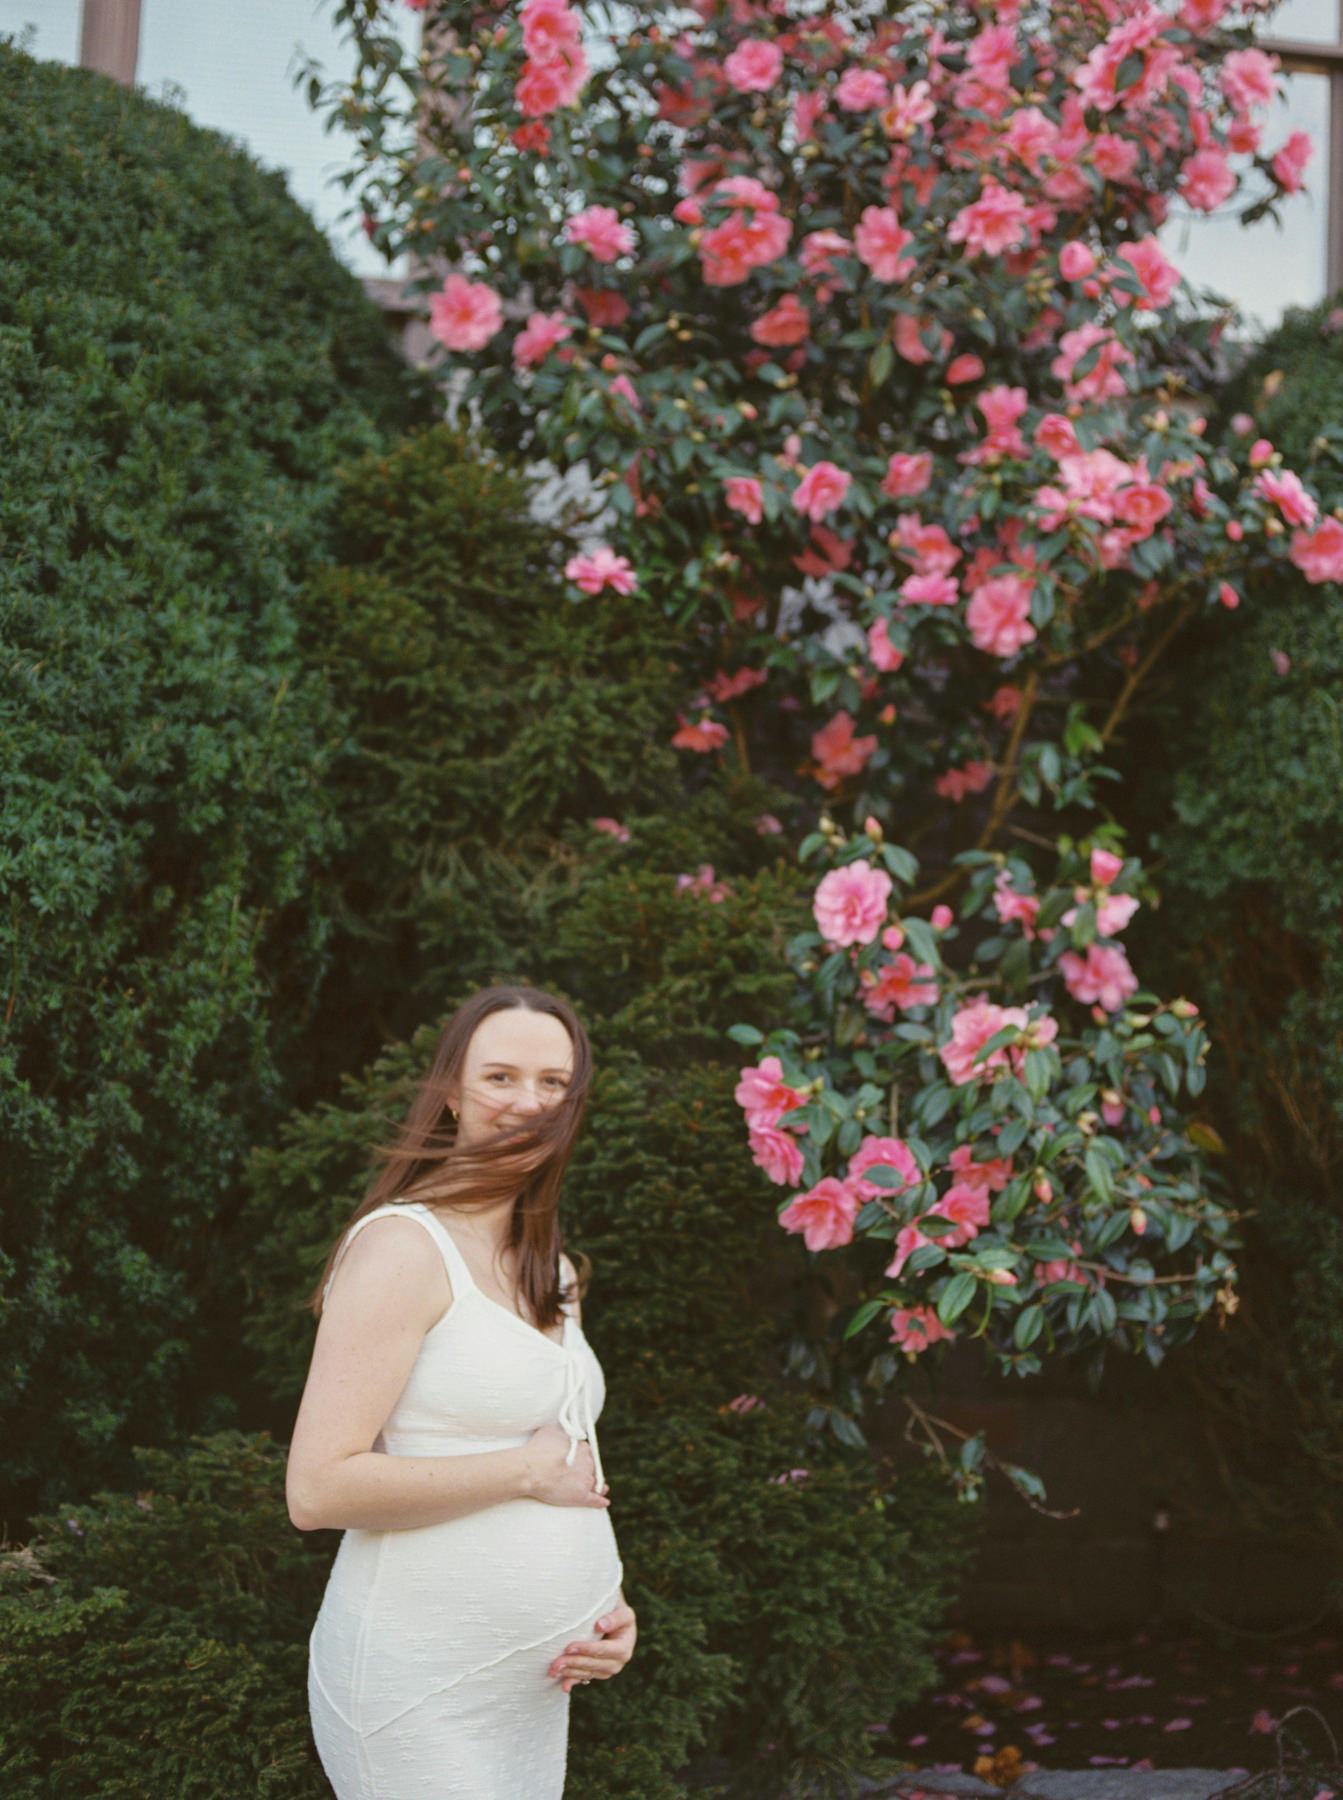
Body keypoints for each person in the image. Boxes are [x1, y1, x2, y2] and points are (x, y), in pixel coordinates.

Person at [286, 985, 637, 1799]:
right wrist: (519, 1474)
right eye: (501, 1078)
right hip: (417, 1689)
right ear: (450, 1094)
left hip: (530, 1692)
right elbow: (316, 1488)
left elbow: (574, 1458)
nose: (529, 1103)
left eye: (554, 1083)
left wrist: (607, 1604)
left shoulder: (552, 1271)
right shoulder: (403, 1251)